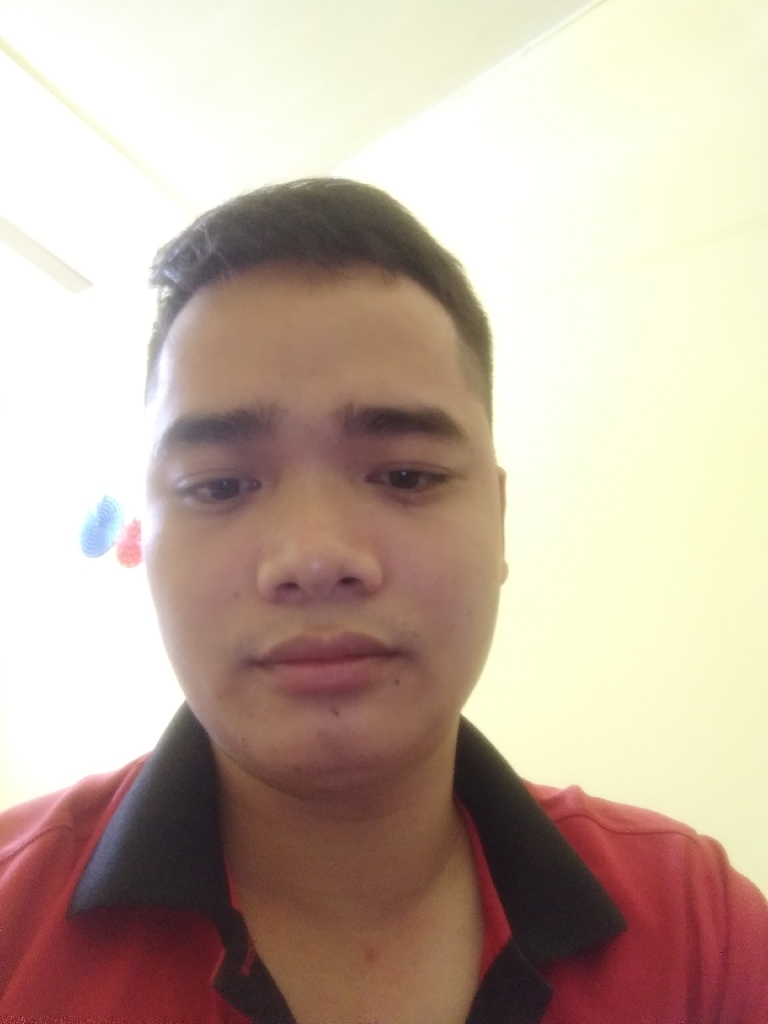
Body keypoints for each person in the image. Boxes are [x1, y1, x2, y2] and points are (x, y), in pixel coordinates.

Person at [0, 178, 766, 1024]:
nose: (315, 558)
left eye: (405, 475)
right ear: (146, 538)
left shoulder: (702, 930)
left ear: (498, 520)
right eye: (219, 486)